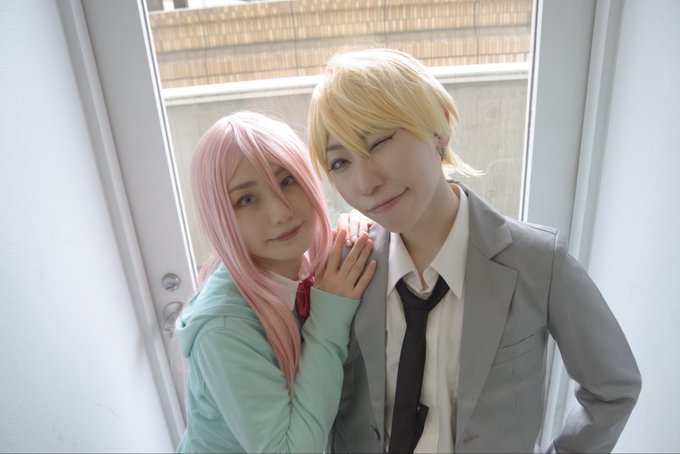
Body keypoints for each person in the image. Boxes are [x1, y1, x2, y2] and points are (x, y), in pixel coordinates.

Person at [307, 48, 641, 453]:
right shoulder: (344, 271)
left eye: (378, 142)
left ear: (439, 130)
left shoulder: (536, 261)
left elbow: (612, 387)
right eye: (340, 163)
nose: (365, 183)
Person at [175, 111, 377, 453]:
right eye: (247, 199)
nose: (281, 212)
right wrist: (328, 319)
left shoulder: (296, 260)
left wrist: (352, 227)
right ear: (219, 216)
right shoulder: (222, 329)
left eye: (287, 181)